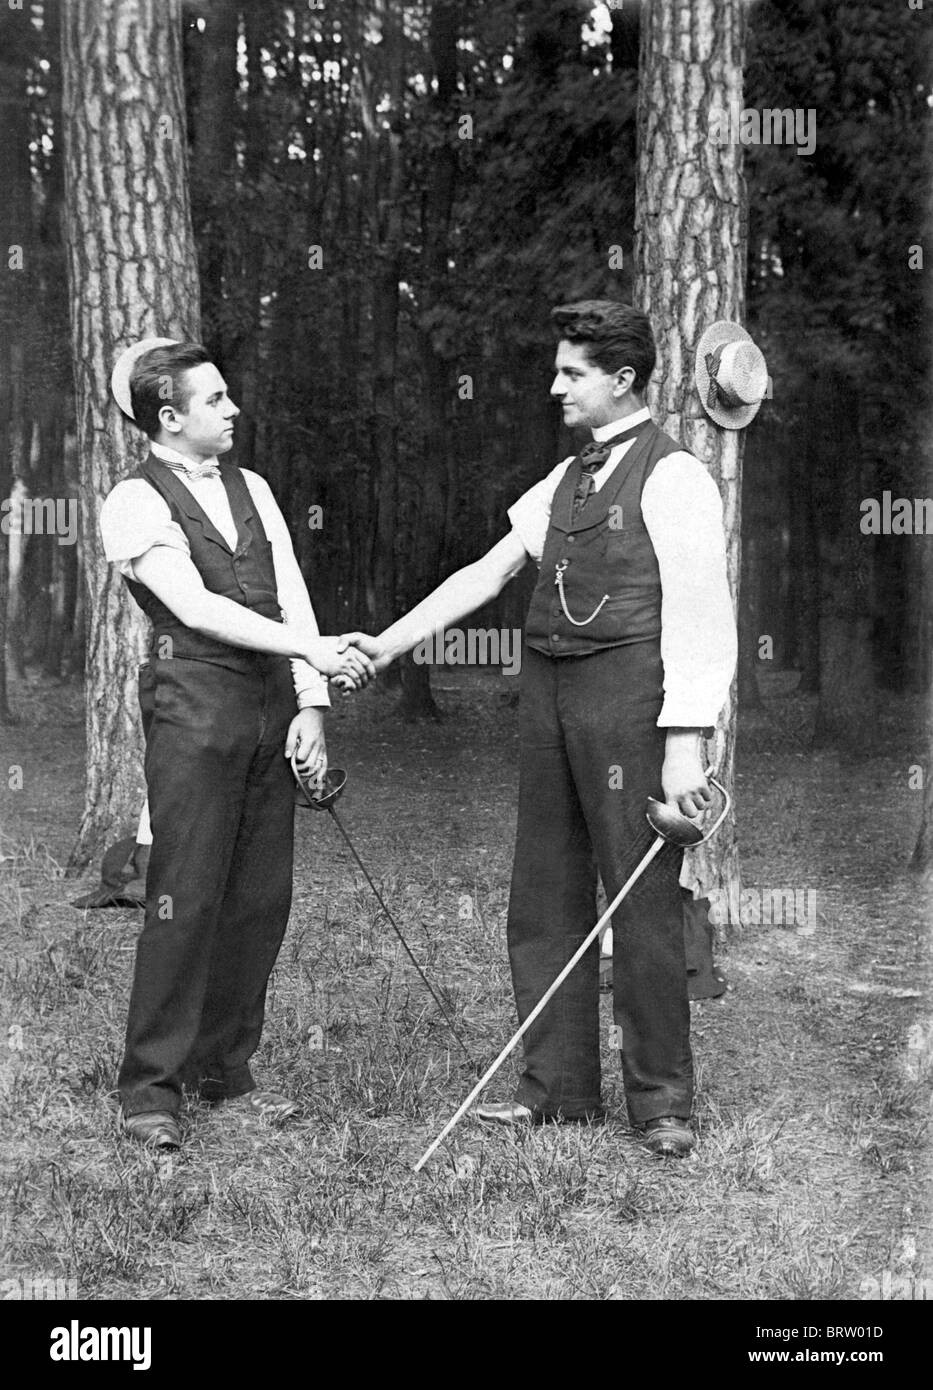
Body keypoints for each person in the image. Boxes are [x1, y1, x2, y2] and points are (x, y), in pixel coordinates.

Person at [346, 301, 742, 1157]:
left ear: (621, 380)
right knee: (544, 894)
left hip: (631, 703)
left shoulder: (675, 478)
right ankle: (556, 1088)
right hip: (549, 701)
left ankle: (660, 1101)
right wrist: (385, 645)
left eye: (572, 373)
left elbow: (705, 619)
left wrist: (684, 743)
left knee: (639, 901)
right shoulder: (562, 481)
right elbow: (484, 573)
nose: (554, 386)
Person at [100, 338, 375, 1150]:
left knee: (260, 899)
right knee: (185, 894)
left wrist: (311, 705)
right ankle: (150, 1088)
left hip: (267, 702)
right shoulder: (135, 502)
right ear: (169, 416)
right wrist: (309, 652)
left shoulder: (251, 486)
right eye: (214, 400)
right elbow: (194, 605)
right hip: (195, 702)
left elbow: (290, 594)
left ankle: (225, 1073)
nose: (232, 410)